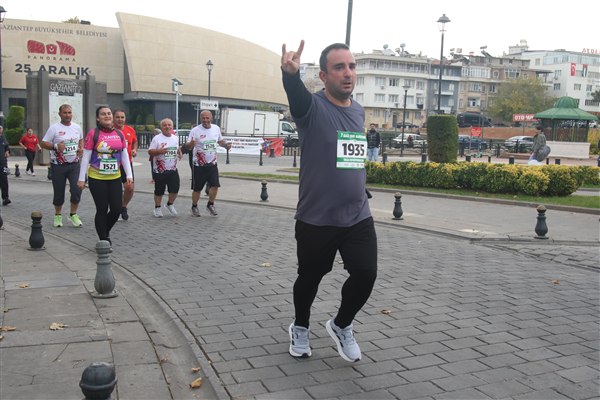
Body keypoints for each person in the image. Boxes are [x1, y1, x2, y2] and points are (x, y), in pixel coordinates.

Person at [281, 41, 377, 362]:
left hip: (357, 214)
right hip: (317, 217)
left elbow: (350, 157)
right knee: (310, 278)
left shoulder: (358, 111)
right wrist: (291, 76)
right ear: (323, 75)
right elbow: (297, 97)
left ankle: (341, 324)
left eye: (351, 66)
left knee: (366, 273)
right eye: (339, 67)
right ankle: (300, 326)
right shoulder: (311, 108)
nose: (348, 73)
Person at [77, 106, 133, 245]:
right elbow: (86, 157)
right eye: (103, 114)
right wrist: (81, 178)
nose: (107, 116)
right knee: (102, 209)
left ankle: (104, 230)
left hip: (115, 178)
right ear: (98, 118)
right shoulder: (93, 134)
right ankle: (103, 238)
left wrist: (129, 175)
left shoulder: (119, 134)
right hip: (97, 178)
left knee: (116, 209)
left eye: (108, 113)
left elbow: (124, 155)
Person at [41, 104, 84, 228]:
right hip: (58, 165)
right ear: (59, 114)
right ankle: (58, 215)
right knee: (59, 192)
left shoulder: (77, 127)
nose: (67, 115)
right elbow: (43, 143)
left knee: (77, 190)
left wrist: (81, 148)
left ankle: (73, 214)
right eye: (65, 113)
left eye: (69, 112)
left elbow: (81, 140)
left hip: (74, 164)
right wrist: (55, 146)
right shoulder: (54, 128)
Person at [186, 110, 231, 217]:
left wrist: (226, 145)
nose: (205, 120)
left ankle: (210, 205)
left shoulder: (216, 128)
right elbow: (187, 146)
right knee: (197, 189)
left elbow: (220, 141)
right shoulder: (195, 130)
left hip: (212, 163)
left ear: (211, 118)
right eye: (203, 118)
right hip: (199, 165)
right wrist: (191, 144)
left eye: (207, 118)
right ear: (200, 119)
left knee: (215, 186)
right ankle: (194, 206)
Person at [148, 118, 182, 217]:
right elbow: (150, 151)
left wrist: (179, 152)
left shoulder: (175, 138)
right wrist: (159, 151)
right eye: (164, 125)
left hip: (172, 169)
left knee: (175, 189)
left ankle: (170, 204)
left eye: (169, 125)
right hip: (160, 170)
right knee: (159, 191)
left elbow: (177, 147)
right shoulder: (157, 138)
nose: (167, 127)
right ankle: (157, 208)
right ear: (161, 127)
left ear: (172, 126)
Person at [113, 109, 138, 220]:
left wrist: (134, 149)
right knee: (115, 190)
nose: (120, 119)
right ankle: (115, 209)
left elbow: (135, 141)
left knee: (130, 188)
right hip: (113, 164)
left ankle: (123, 206)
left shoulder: (130, 130)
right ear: (113, 118)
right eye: (117, 117)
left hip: (127, 164)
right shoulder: (110, 131)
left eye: (122, 117)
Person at [0, 125, 10, 205]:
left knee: (4, 181)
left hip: (3, 163)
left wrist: (7, 152)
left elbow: (7, 148)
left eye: (0, 128)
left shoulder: (4, 139)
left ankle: (5, 198)